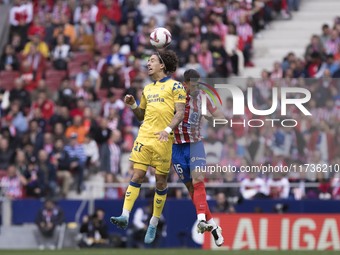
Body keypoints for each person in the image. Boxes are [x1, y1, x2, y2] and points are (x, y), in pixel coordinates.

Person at [110, 50, 186, 244]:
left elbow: (180, 113)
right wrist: (133, 105)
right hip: (145, 136)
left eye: (152, 60)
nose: (148, 63)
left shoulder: (176, 86)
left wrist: (167, 129)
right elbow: (141, 116)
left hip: (163, 139)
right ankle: (124, 216)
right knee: (137, 175)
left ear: (162, 65)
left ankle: (153, 221)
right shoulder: (147, 89)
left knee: (161, 182)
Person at [172, 69, 225, 246]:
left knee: (198, 180)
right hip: (177, 147)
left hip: (195, 144)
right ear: (185, 83)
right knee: (192, 190)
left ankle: (201, 219)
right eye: (193, 84)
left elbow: (221, 118)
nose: (196, 87)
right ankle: (214, 226)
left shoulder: (203, 97)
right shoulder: (174, 95)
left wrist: (211, 118)